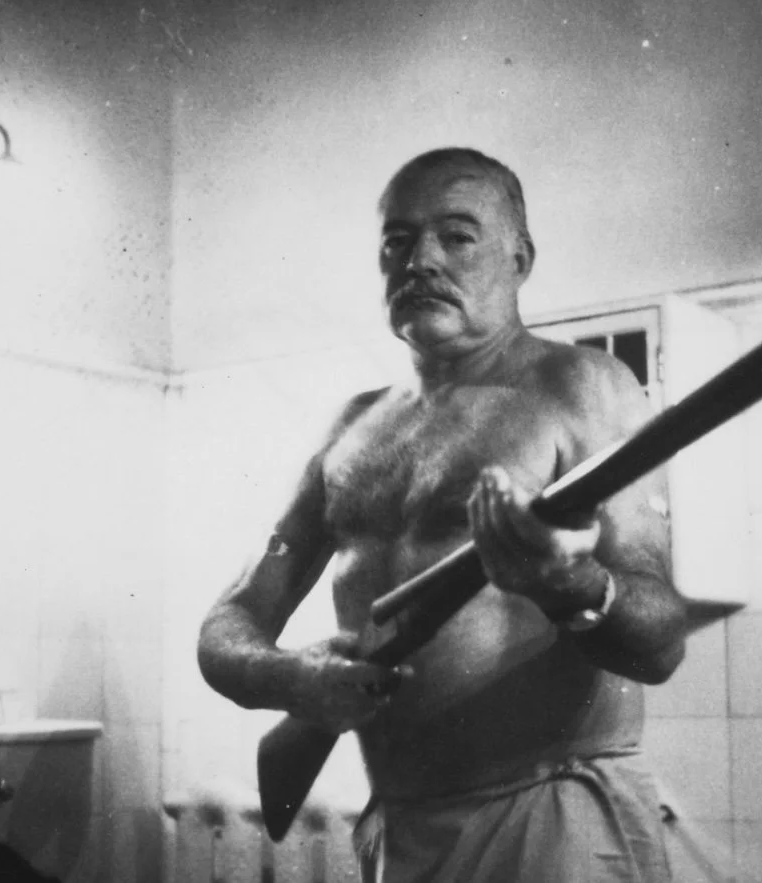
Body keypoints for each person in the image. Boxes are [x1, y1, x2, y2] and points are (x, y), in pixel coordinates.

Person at [197, 147, 689, 882]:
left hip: (550, 816)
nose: (420, 260)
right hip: (401, 823)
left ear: (520, 259)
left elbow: (661, 644)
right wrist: (291, 678)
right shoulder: (351, 426)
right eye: (397, 241)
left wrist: (570, 584)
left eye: (457, 236)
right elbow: (229, 623)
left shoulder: (583, 382)